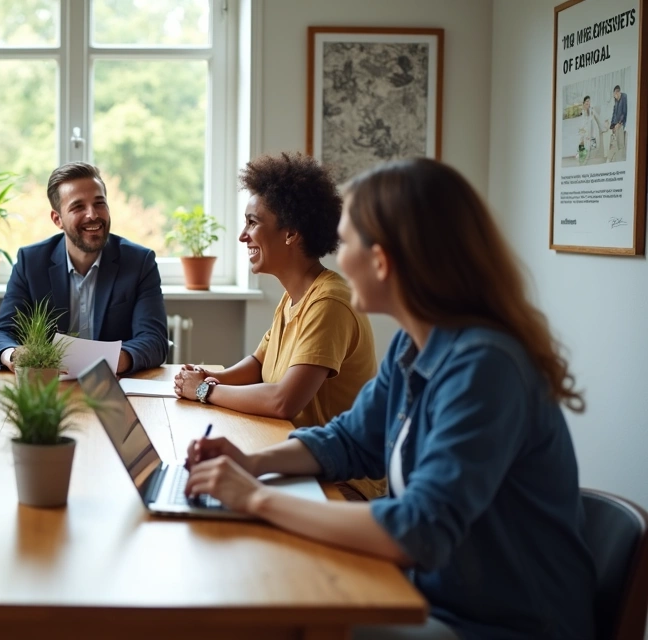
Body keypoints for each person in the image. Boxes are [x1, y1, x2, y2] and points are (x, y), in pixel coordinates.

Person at [184, 158, 596, 640]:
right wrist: (251, 463)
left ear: (381, 261)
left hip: (498, 625)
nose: (338, 256)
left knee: (267, 620)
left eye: (347, 241)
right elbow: (349, 440)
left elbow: (418, 529)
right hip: (433, 596)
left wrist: (256, 498)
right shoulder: (413, 344)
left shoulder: (486, 367)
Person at [174, 153, 381, 500]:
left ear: (291, 233)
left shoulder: (329, 302)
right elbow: (259, 365)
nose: (243, 236)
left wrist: (205, 391)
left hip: (343, 482)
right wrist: (209, 377)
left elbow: (284, 401)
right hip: (301, 463)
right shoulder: (293, 297)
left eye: (253, 223)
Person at [0, 162, 168, 374]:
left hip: (113, 384)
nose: (93, 215)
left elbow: (154, 340)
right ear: (57, 219)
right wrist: (14, 355)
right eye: (78, 207)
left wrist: (110, 361)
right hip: (49, 385)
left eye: (99, 203)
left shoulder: (139, 262)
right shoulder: (31, 262)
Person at [606, 84, 628, 162]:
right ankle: (612, 159)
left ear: (618, 92)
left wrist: (619, 123)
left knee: (620, 144)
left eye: (615, 95)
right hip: (615, 125)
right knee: (613, 143)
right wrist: (612, 126)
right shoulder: (616, 101)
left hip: (620, 124)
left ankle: (621, 160)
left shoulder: (624, 97)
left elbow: (624, 112)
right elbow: (614, 114)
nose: (614, 97)